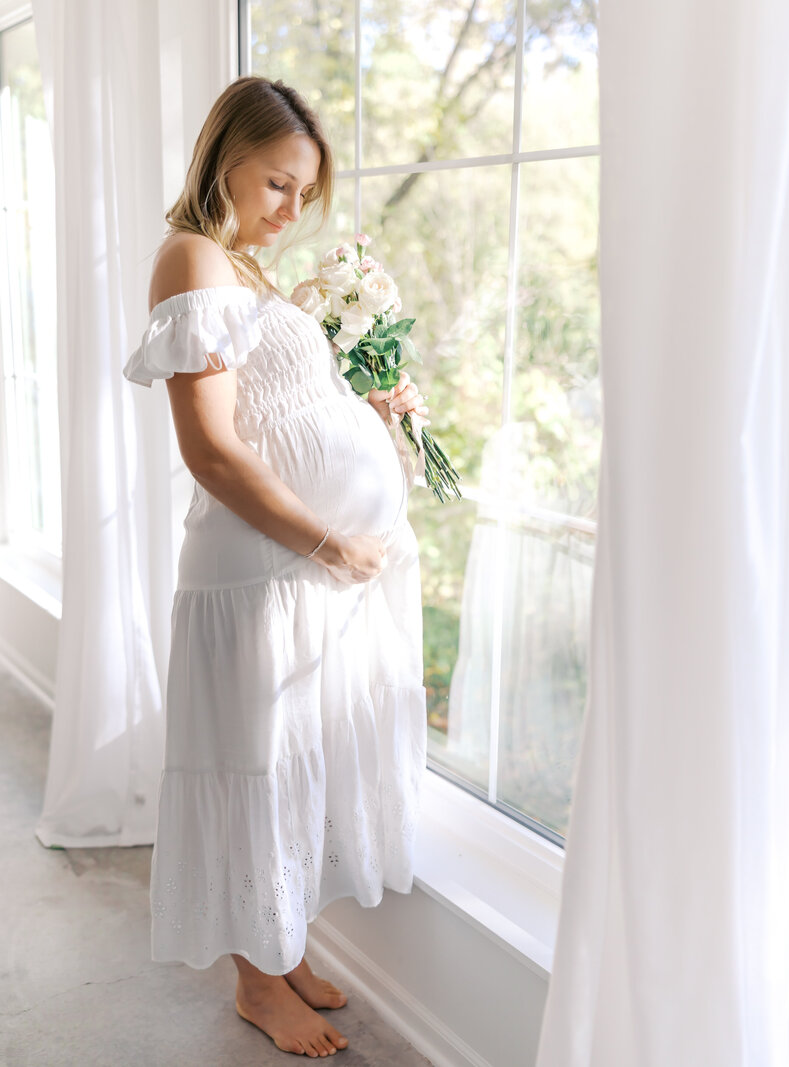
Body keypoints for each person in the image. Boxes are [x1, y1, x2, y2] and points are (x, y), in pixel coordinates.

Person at [123, 75, 430, 1058]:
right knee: (256, 768)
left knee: (294, 762)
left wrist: (366, 418)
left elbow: (274, 410)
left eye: (304, 195)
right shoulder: (191, 258)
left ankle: (283, 942)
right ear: (225, 161)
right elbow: (210, 450)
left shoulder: (242, 272)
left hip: (295, 577)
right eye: (276, 185)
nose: (291, 212)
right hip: (260, 574)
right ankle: (257, 982)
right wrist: (328, 539)